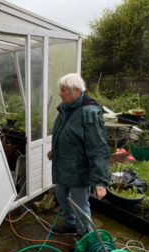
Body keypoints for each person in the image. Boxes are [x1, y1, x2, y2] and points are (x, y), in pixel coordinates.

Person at [48, 73, 110, 236]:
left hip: (78, 170)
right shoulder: (66, 109)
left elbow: (98, 148)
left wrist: (99, 181)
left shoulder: (88, 113)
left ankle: (84, 236)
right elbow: (66, 134)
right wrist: (55, 150)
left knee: (80, 205)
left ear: (76, 91)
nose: (60, 94)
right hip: (63, 166)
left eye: (63, 90)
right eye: (60, 90)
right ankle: (69, 224)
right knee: (61, 195)